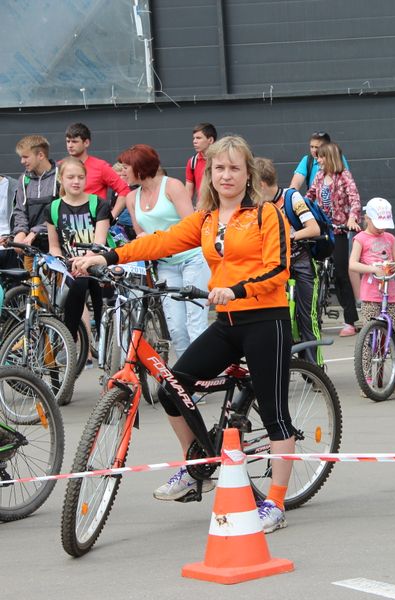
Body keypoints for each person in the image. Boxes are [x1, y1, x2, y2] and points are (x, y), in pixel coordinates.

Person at [72, 136, 296, 533]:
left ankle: (275, 503)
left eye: (234, 168)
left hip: (265, 319)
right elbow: (159, 242)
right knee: (171, 388)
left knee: (275, 415)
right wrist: (106, 255)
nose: (226, 175)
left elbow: (278, 269)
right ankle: (197, 465)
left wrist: (238, 290)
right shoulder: (207, 220)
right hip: (227, 322)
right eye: (219, 168)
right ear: (210, 175)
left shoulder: (266, 214)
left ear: (248, 175)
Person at [119, 144, 212, 360]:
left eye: (125, 167)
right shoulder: (132, 198)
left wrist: (157, 237)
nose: (122, 172)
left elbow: (191, 225)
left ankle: (204, 371)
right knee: (176, 328)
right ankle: (186, 375)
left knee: (195, 323)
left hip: (192, 259)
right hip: (165, 265)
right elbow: (141, 235)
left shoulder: (172, 186)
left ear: (139, 167)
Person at [256, 157, 323, 365]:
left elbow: (314, 229)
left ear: (261, 184)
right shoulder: (258, 205)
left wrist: (290, 237)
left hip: (301, 261)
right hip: (276, 265)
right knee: (273, 318)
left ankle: (315, 369)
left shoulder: (291, 197)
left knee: (308, 317)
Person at [45, 157, 109, 342]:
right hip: (71, 267)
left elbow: (99, 243)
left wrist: (84, 263)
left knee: (86, 288)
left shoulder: (98, 204)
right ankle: (73, 342)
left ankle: (92, 341)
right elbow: (54, 246)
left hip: (97, 262)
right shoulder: (53, 208)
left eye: (81, 177)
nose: (76, 181)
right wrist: (60, 262)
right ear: (61, 179)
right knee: (73, 289)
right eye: (71, 177)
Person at [349, 197, 395, 395]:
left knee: (394, 334)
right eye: (378, 224)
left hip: (389, 294)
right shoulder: (361, 239)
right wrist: (373, 269)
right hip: (370, 295)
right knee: (368, 337)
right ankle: (366, 378)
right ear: (367, 218)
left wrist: (391, 267)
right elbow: (352, 264)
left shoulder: (390, 238)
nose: (381, 229)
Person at [306, 141, 362, 336]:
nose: (318, 160)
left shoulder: (344, 176)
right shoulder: (319, 176)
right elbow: (309, 197)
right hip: (321, 229)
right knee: (311, 272)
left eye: (321, 157)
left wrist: (352, 218)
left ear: (329, 157)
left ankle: (350, 321)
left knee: (340, 274)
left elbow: (354, 199)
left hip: (338, 230)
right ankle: (310, 318)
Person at [11, 135, 57, 253]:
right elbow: (20, 211)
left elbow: (61, 212)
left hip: (56, 245)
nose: (22, 161)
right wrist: (20, 232)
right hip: (31, 246)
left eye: (25, 157)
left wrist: (36, 231)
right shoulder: (23, 179)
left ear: (40, 155)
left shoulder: (60, 176)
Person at [185, 123, 217, 203]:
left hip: (221, 207)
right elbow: (188, 191)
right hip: (202, 207)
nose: (194, 141)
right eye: (194, 138)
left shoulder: (222, 159)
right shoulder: (192, 162)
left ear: (210, 140)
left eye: (198, 138)